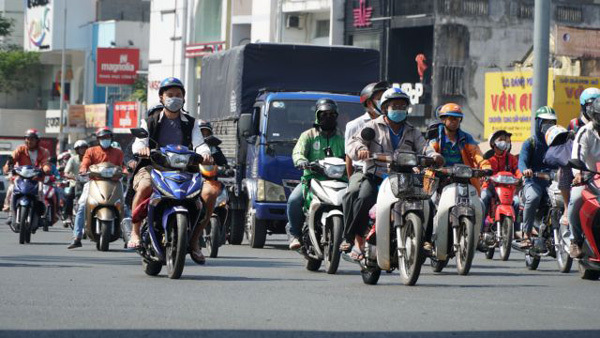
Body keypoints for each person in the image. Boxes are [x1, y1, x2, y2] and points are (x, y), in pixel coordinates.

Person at [343, 88, 438, 259]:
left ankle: (425, 241)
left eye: (402, 106)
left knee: (427, 202)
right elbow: (354, 143)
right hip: (377, 175)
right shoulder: (372, 126)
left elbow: (424, 147)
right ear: (385, 108)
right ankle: (353, 239)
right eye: (395, 106)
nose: (399, 109)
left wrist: (433, 155)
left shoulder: (412, 130)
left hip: (404, 178)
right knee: (363, 198)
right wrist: (362, 149)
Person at [129, 77, 215, 264]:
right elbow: (138, 144)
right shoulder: (149, 121)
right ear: (161, 98)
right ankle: (134, 232)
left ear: (184, 99)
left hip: (185, 170)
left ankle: (194, 241)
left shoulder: (191, 123)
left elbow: (200, 144)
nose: (174, 98)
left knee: (209, 193)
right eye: (170, 95)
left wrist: (205, 154)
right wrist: (142, 150)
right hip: (153, 167)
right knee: (144, 186)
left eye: (178, 95)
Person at [426, 103, 491, 247]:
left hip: (462, 177)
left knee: (479, 204)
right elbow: (430, 150)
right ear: (443, 119)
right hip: (438, 177)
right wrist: (434, 159)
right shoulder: (437, 136)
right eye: (450, 118)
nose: (453, 122)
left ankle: (477, 236)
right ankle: (427, 239)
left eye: (456, 119)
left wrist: (485, 166)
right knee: (429, 204)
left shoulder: (466, 138)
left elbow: (477, 154)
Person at [287, 98, 346, 250]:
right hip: (312, 180)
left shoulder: (343, 137)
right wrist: (301, 161)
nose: (328, 117)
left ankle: (352, 237)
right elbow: (298, 152)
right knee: (294, 200)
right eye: (324, 114)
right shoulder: (308, 135)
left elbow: (351, 154)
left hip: (339, 181)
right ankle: (294, 234)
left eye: (332, 114)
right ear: (317, 116)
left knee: (354, 199)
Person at [341, 81, 389, 253]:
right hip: (364, 170)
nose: (386, 102)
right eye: (381, 98)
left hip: (391, 170)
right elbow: (349, 153)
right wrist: (350, 178)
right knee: (353, 193)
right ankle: (352, 237)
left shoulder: (393, 123)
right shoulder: (355, 125)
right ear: (369, 103)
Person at [68, 128, 124, 249]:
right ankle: (77, 237)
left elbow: (122, 166)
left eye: (108, 137)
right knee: (82, 205)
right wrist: (83, 170)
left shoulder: (118, 152)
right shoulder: (91, 151)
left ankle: (128, 236)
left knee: (125, 206)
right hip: (94, 182)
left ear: (111, 138)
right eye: (103, 138)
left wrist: (126, 170)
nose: (105, 140)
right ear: (98, 139)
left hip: (114, 183)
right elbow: (85, 164)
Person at [518, 106, 557, 247]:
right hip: (533, 181)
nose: (549, 126)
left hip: (553, 182)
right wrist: (525, 170)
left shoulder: (557, 142)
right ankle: (526, 235)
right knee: (533, 197)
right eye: (545, 122)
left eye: (552, 122)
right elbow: (521, 161)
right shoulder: (530, 142)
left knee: (565, 201)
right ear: (538, 123)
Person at [568, 98, 600, 258]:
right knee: (575, 199)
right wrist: (578, 174)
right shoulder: (585, 132)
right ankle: (575, 241)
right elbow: (577, 155)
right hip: (589, 177)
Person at [2, 129, 51, 225]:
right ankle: (11, 215)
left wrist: (45, 169)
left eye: (32, 139)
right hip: (21, 177)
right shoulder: (20, 149)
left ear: (37, 140)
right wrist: (8, 166)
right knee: (11, 189)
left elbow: (46, 163)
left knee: (41, 191)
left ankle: (40, 215)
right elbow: (12, 159)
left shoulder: (44, 152)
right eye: (28, 138)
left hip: (36, 178)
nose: (30, 141)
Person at [480, 130, 521, 230]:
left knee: (517, 201)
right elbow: (483, 167)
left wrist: (520, 177)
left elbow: (517, 170)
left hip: (507, 189)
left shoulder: (511, 158)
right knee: (483, 198)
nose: (504, 142)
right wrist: (485, 173)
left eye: (506, 140)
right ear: (493, 143)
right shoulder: (488, 158)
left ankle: (515, 230)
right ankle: (480, 229)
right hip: (490, 187)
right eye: (500, 140)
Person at [543, 125, 574, 226]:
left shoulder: (574, 144)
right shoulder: (554, 153)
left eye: (563, 137)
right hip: (563, 184)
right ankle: (566, 209)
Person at [63, 140, 89, 225]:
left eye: (84, 148)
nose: (82, 150)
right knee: (69, 196)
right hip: (75, 184)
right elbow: (66, 172)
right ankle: (69, 217)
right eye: (80, 148)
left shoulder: (90, 159)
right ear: (76, 150)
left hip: (89, 184)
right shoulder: (73, 159)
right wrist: (73, 177)